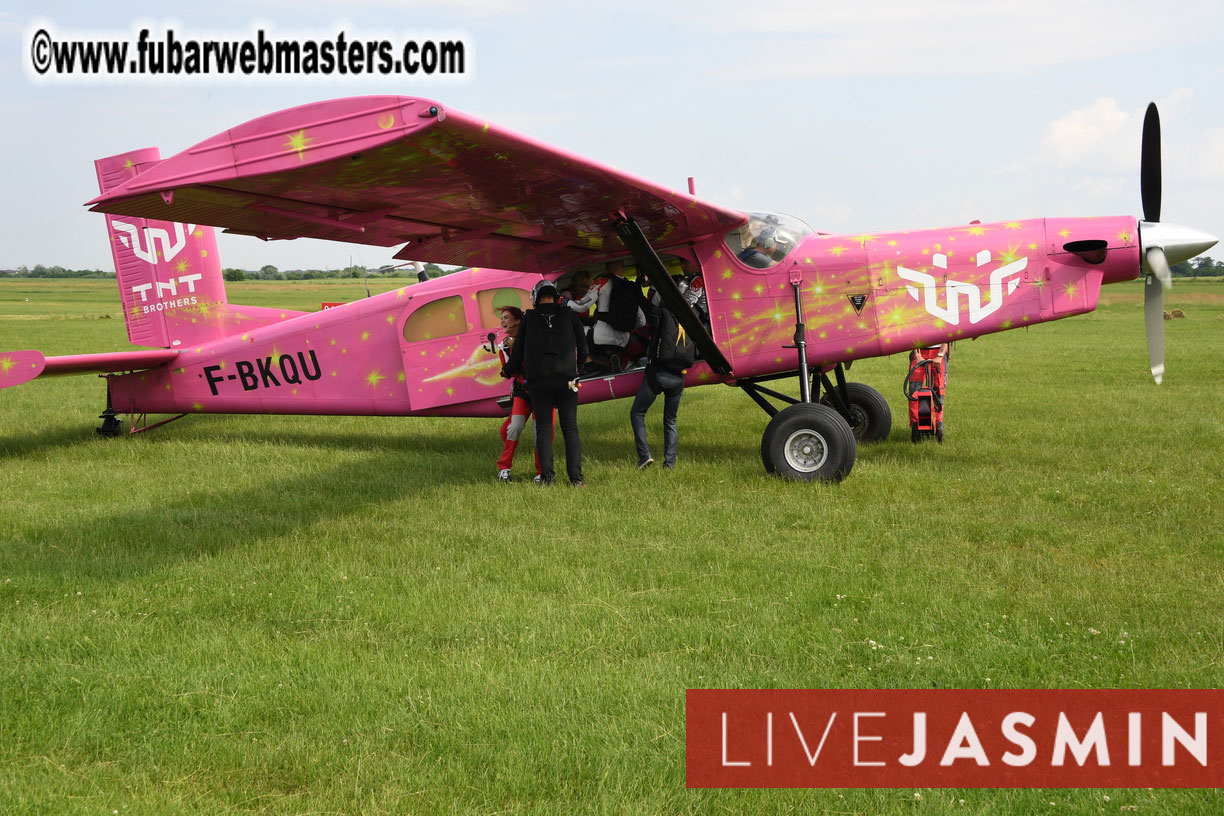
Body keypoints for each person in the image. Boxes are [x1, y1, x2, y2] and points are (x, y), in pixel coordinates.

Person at [502, 280, 589, 486]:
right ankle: (576, 480)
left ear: (536, 298)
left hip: (539, 383)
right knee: (570, 429)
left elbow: (518, 353)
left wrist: (507, 371)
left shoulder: (529, 318)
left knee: (543, 428)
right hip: (567, 380)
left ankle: (548, 478)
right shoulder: (570, 315)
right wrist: (578, 371)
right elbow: (583, 348)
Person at [629, 302, 695, 470]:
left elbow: (643, 305)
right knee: (671, 420)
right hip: (679, 378)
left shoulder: (660, 315)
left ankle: (644, 456)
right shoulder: (689, 318)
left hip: (657, 375)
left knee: (637, 413)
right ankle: (670, 464)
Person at [493, 306, 549, 483]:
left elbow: (538, 360)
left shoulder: (534, 338)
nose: (503, 321)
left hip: (543, 390)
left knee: (539, 431)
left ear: (518, 321)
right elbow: (509, 371)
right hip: (522, 389)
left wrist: (518, 346)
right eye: (502, 318)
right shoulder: (503, 346)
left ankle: (542, 472)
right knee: (514, 427)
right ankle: (504, 468)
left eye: (507, 318)